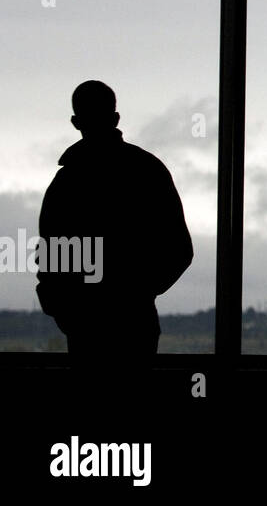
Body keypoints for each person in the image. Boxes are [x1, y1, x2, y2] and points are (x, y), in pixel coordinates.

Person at [36, 80, 193, 361]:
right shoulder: (148, 171)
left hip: (85, 325)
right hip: (134, 323)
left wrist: (65, 307)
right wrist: (137, 295)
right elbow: (180, 250)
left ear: (75, 122)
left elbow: (50, 254)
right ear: (116, 117)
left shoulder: (66, 182)